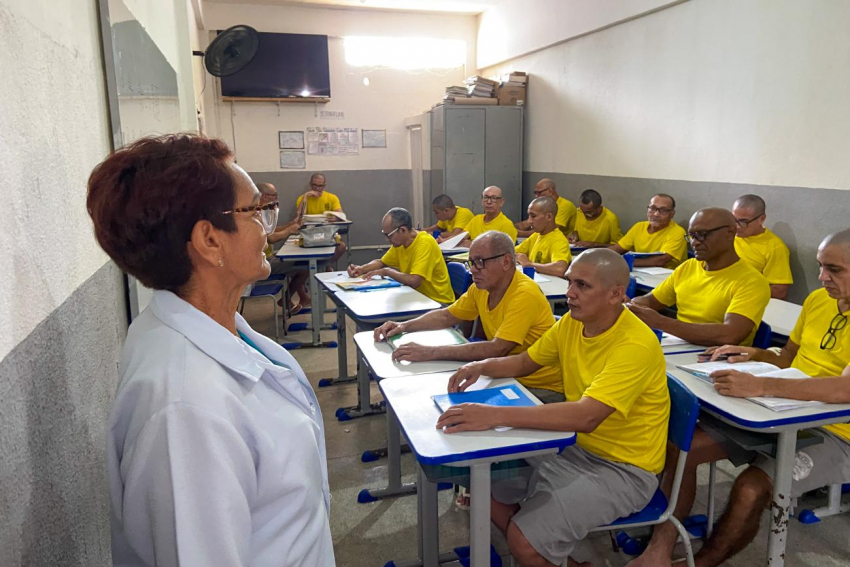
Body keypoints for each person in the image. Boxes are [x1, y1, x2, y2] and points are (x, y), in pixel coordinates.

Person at [87, 134, 333, 566]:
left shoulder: (215, 327)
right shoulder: (185, 409)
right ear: (209, 241)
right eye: (256, 210)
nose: (265, 226)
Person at [627, 229, 850, 567]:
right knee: (681, 450)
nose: (822, 278)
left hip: (837, 432)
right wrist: (751, 354)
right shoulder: (819, 301)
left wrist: (761, 386)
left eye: (834, 270)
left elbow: (843, 390)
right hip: (781, 408)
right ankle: (659, 551)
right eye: (820, 266)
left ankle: (703, 562)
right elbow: (788, 357)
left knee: (750, 488)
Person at [437, 249, 670, 567]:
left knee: (523, 539)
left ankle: (531, 545)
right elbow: (525, 361)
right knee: (480, 481)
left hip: (623, 469)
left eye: (582, 286)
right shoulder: (573, 323)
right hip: (572, 445)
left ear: (616, 294)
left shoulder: (635, 345)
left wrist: (492, 415)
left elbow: (587, 416)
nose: (570, 293)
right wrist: (481, 365)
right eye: (570, 281)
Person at [373, 230, 564, 403]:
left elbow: (497, 349)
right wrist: (404, 326)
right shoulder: (481, 287)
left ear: (506, 261)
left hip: (537, 387)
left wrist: (429, 352)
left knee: (455, 409)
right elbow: (447, 316)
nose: (473, 269)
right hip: (502, 374)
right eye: (471, 262)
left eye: (480, 262)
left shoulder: (524, 294)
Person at [628, 208, 771, 347]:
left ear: (730, 232)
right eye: (691, 236)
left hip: (717, 360)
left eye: (702, 234)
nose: (695, 242)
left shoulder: (752, 281)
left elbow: (730, 334)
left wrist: (660, 322)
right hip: (680, 347)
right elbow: (650, 301)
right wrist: (633, 304)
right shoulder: (689, 267)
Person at [347, 207, 454, 304]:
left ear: (402, 230)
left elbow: (414, 281)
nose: (387, 240)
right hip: (417, 298)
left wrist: (387, 271)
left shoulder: (425, 243)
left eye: (389, 235)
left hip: (437, 303)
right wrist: (361, 269)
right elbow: (381, 262)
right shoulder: (400, 244)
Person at [290, 173, 347, 313]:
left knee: (342, 247)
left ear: (324, 185)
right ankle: (319, 272)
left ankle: (323, 266)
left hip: (327, 235)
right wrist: (305, 198)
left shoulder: (331, 197)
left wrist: (335, 217)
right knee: (300, 265)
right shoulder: (303, 198)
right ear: (311, 185)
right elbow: (298, 218)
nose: (317, 188)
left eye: (320, 185)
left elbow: (341, 214)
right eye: (315, 185)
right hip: (309, 237)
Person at [732, 194, 793, 300]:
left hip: (744, 299)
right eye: (733, 219)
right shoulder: (727, 234)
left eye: (743, 222)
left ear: (761, 219)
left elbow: (779, 291)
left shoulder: (774, 247)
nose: (736, 227)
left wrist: (739, 290)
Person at [610, 193, 687, 269]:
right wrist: (601, 256)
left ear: (672, 214)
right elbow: (617, 248)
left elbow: (661, 261)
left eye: (663, 210)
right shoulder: (638, 227)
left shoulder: (678, 232)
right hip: (640, 273)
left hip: (667, 277)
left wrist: (622, 261)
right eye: (652, 208)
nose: (656, 214)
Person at [515, 197, 572, 278]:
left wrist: (529, 264)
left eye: (533, 216)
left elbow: (560, 269)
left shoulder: (558, 240)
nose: (529, 221)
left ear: (549, 217)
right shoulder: (536, 235)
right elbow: (513, 252)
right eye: (529, 216)